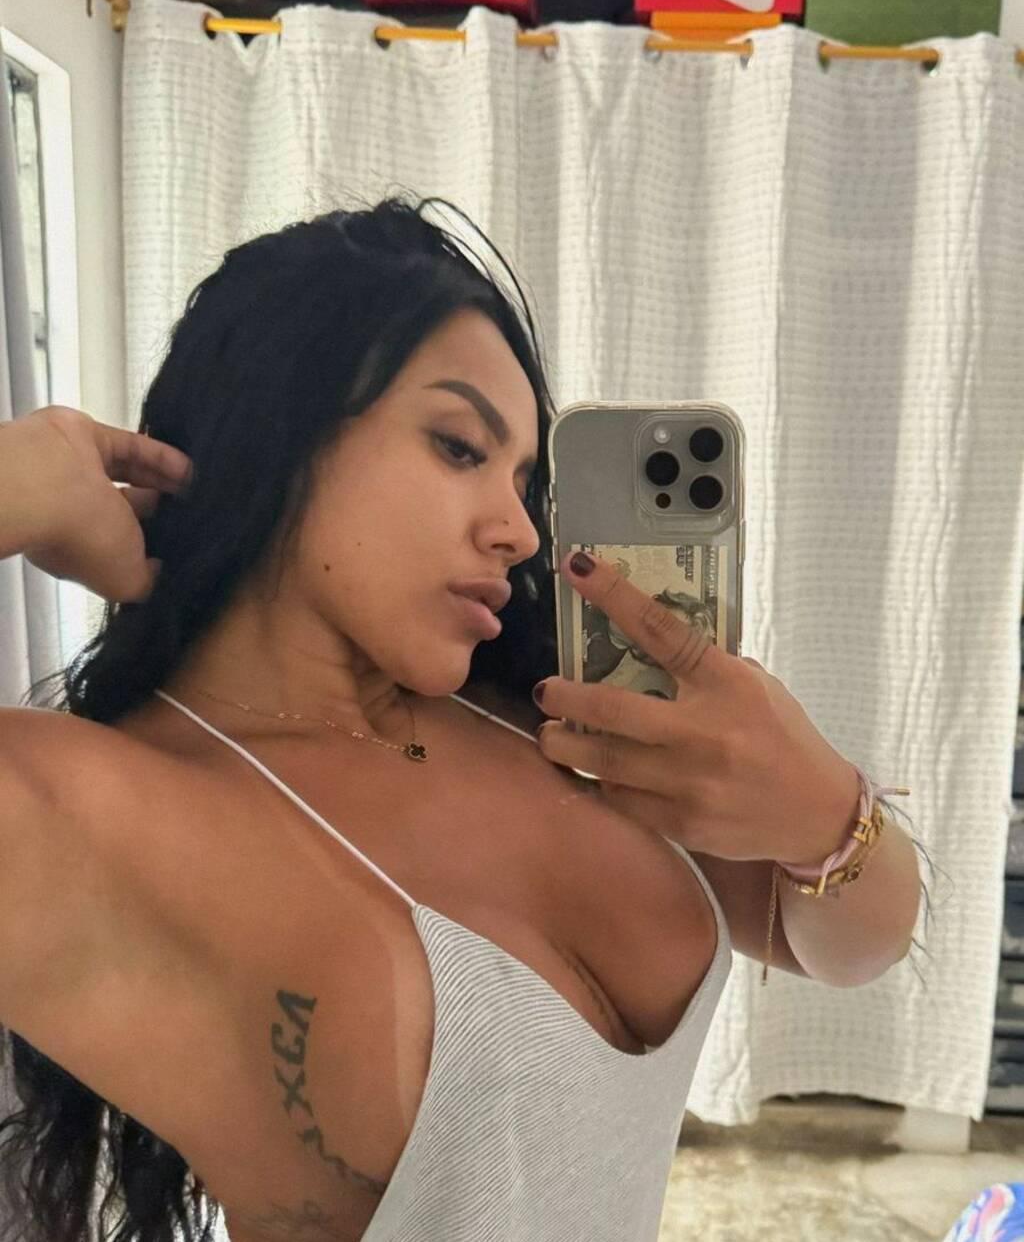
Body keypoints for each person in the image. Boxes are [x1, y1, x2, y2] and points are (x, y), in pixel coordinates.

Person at [0, 197, 922, 1242]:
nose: (519, 531)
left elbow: (856, 945)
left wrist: (825, 815)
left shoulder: (545, 716)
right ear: (276, 427)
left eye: (524, 479)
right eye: (458, 446)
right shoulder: (84, 808)